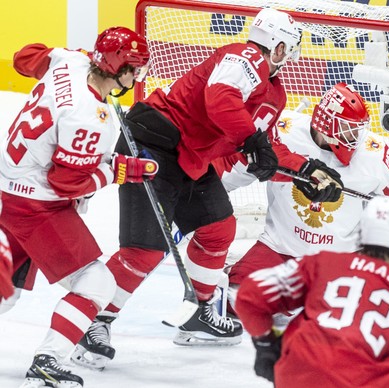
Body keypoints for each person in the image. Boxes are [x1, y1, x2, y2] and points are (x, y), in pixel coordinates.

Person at [72, 7, 343, 370]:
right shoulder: (243, 56)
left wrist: (306, 172)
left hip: (190, 160)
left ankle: (199, 314)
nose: (291, 57)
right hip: (154, 142)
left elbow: (266, 150)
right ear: (278, 47)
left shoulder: (273, 94)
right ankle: (92, 321)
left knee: (218, 227)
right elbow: (220, 98)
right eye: (289, 48)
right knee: (144, 250)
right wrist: (251, 140)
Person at [223, 82, 389, 304]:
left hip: (348, 257)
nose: (356, 138)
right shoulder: (283, 132)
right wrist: (202, 194)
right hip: (281, 250)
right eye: (348, 130)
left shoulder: (373, 152)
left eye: (358, 129)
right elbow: (236, 166)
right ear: (325, 124)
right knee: (237, 297)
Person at [0, 27, 153, 387]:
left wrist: (71, 54)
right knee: (97, 283)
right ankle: (46, 363)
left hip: (8, 190)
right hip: (37, 206)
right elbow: (65, 183)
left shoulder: (69, 61)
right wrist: (118, 171)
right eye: (134, 67)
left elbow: (24, 58)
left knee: (5, 293)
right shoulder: (88, 117)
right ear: (119, 68)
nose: (137, 75)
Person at [236, 196, 389, 387]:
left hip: (298, 374)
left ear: (361, 234)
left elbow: (250, 295)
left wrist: (266, 344)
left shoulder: (322, 263)